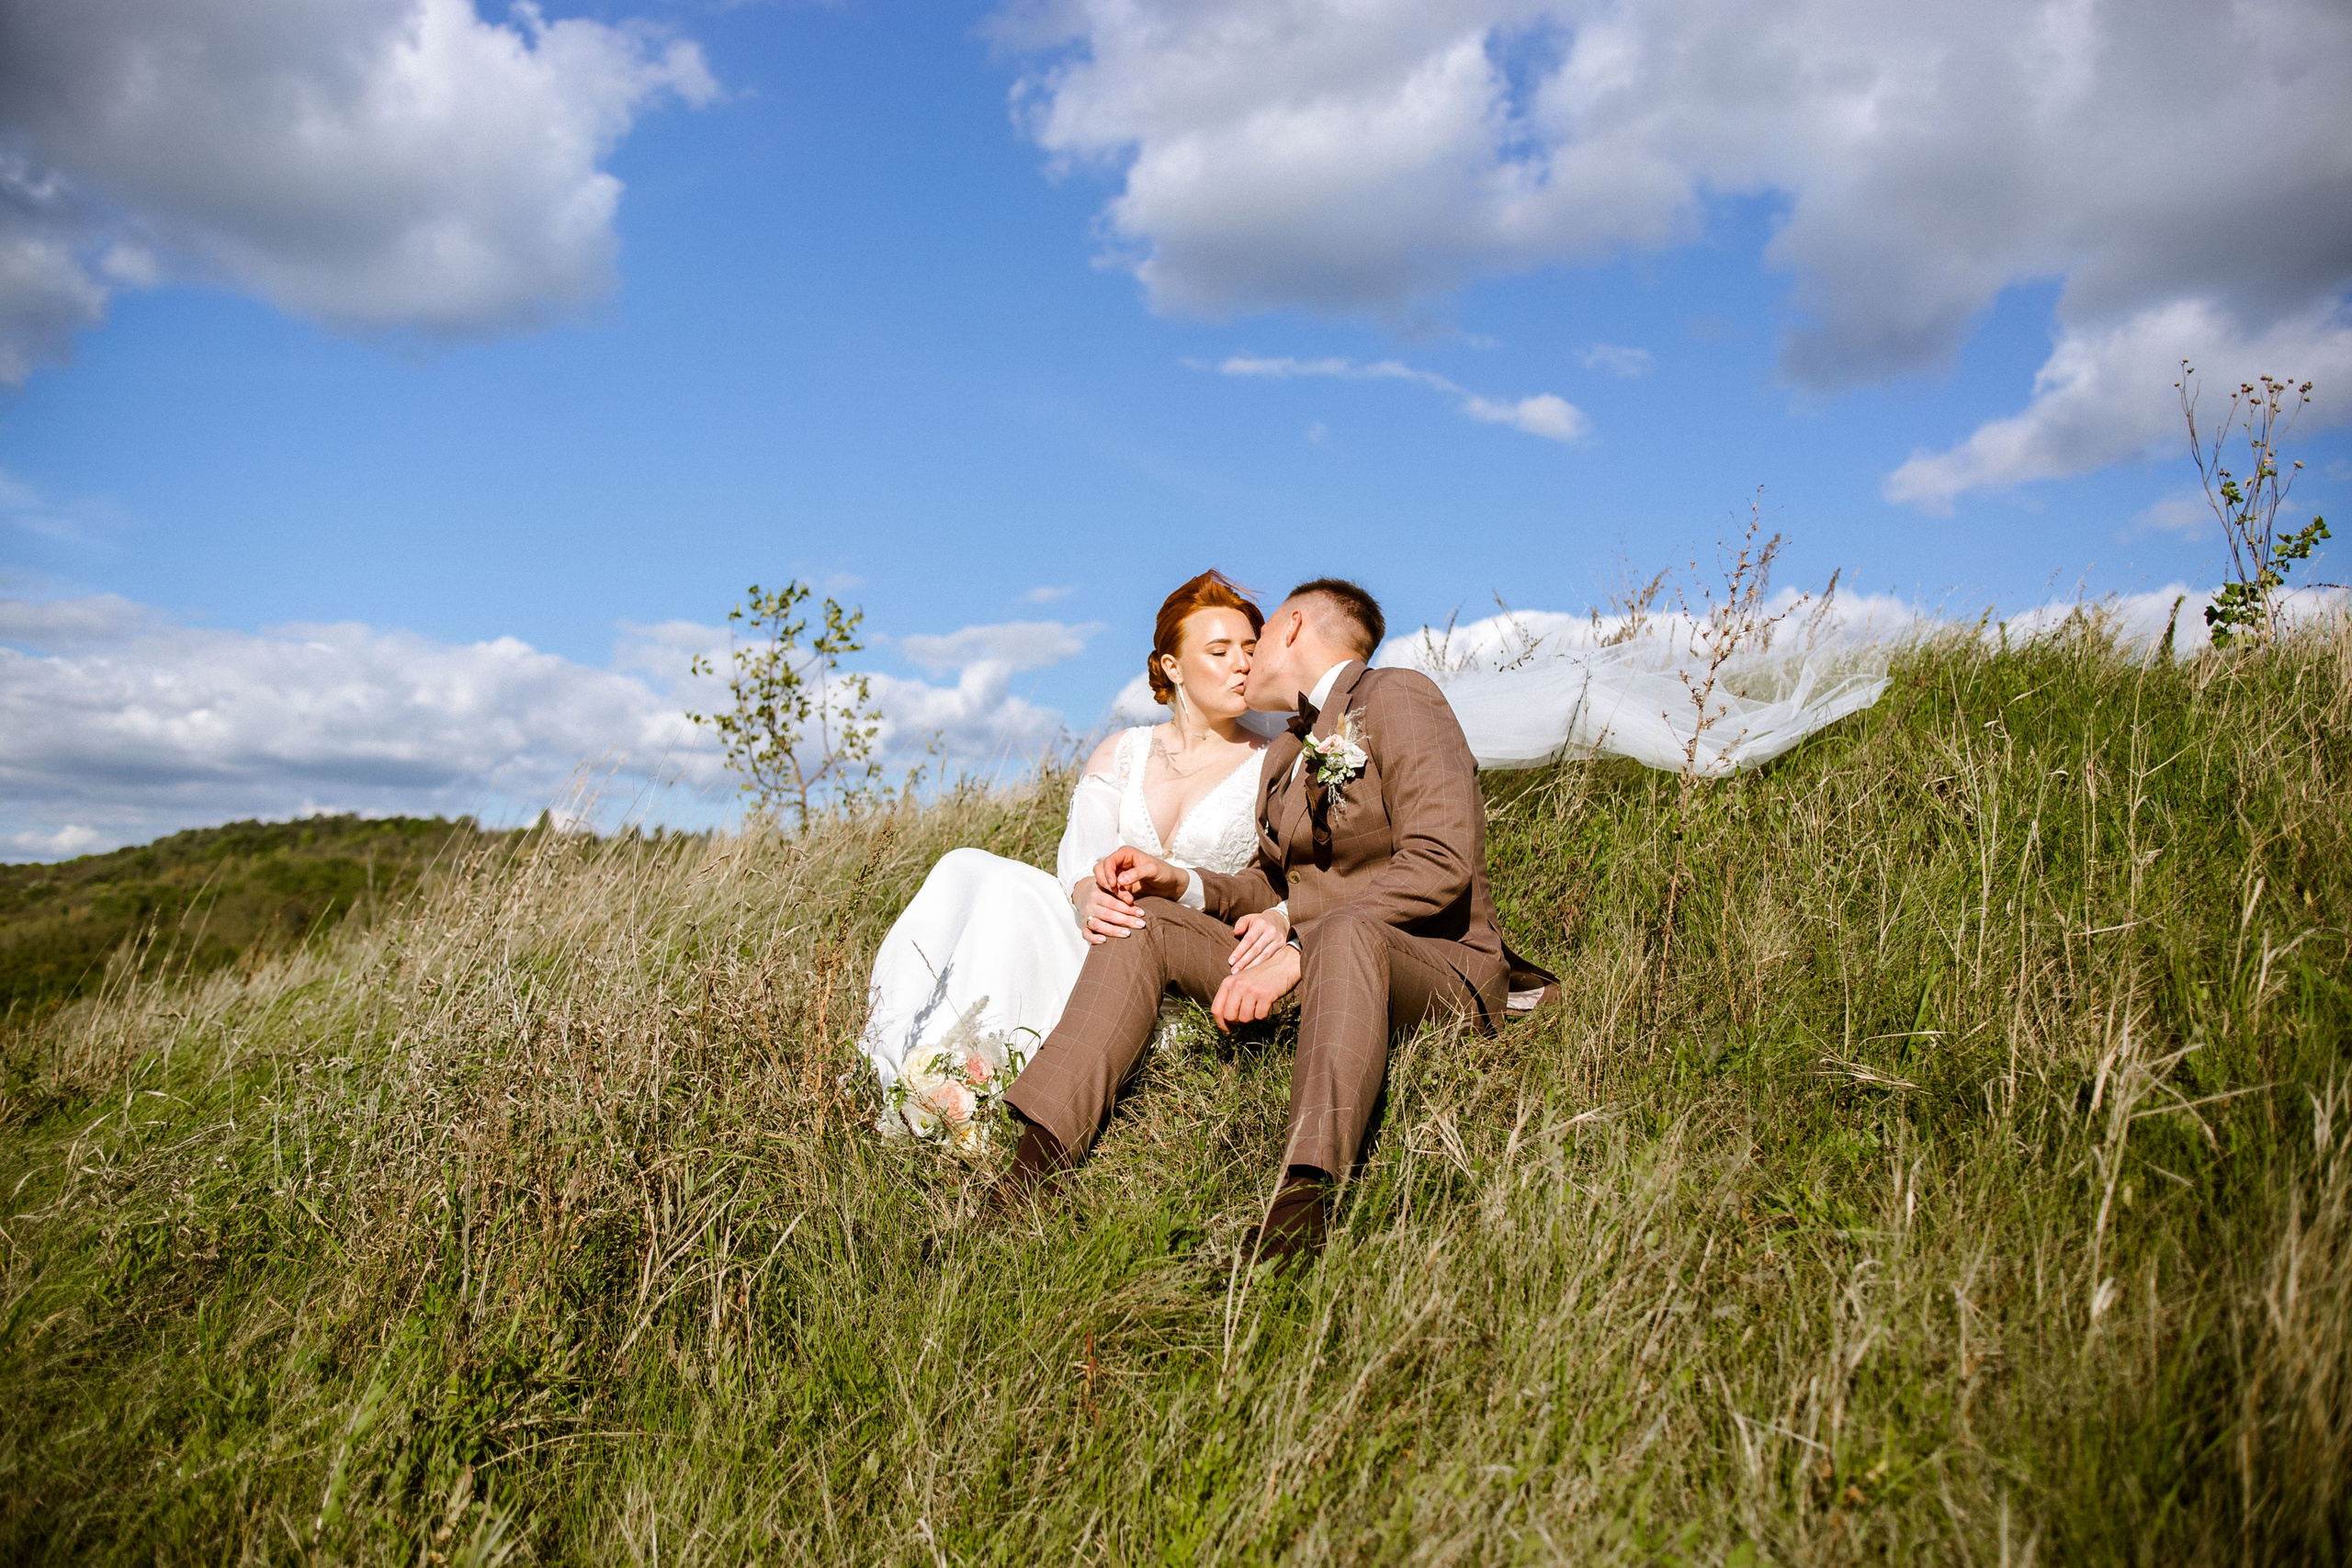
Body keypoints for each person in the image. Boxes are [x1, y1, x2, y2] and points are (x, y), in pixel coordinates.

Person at [995, 577, 1557, 1267]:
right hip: (1325, 968)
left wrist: (1299, 948)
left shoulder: (1399, 697)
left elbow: (1440, 860)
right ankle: (1028, 1176)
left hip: (1433, 969)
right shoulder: (1288, 750)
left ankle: (1300, 1210)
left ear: (1291, 627)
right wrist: (1180, 882)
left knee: (1344, 931)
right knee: (1147, 919)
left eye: (1255, 641)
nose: (1245, 659)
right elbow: (1273, 881)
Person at [859, 570, 1281, 1126]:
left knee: (1021, 898)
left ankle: (983, 1085)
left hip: (1178, 952)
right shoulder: (1123, 751)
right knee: (972, 869)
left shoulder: (1274, 761)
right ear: (1173, 667)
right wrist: (1086, 894)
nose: (1242, 664)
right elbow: (1083, 854)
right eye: (1220, 651)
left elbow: (1277, 880)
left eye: (1250, 649)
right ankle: (937, 1066)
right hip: (1097, 924)